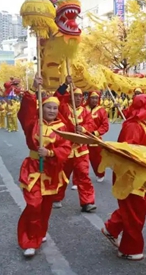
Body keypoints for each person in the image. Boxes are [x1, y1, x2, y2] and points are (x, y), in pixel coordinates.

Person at [17, 75, 72, 257]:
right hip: (33, 169)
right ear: (42, 108)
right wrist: (33, 90)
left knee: (46, 207)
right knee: (34, 204)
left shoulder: (62, 127)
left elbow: (66, 148)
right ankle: (30, 241)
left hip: (51, 171)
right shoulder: (33, 123)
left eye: (55, 108)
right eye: (48, 107)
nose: (51, 110)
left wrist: (50, 153)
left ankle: (39, 233)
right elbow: (26, 110)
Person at [102, 94, 146, 261]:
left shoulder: (138, 125)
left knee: (139, 207)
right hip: (130, 176)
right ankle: (129, 249)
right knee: (136, 209)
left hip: (137, 174)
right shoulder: (133, 127)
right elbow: (127, 154)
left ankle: (112, 228)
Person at [53, 76, 97, 212]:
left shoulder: (85, 111)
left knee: (84, 176)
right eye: (75, 95)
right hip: (65, 149)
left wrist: (83, 129)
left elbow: (91, 124)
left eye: (80, 96)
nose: (78, 98)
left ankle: (87, 202)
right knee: (62, 175)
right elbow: (56, 97)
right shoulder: (63, 108)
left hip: (81, 150)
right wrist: (65, 84)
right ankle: (56, 198)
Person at [87, 91, 110, 183]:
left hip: (95, 139)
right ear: (89, 98)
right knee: (79, 161)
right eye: (92, 98)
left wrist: (95, 133)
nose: (94, 100)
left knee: (96, 159)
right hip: (82, 138)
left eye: (96, 98)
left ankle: (100, 174)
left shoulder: (102, 110)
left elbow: (105, 126)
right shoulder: (83, 109)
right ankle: (78, 180)